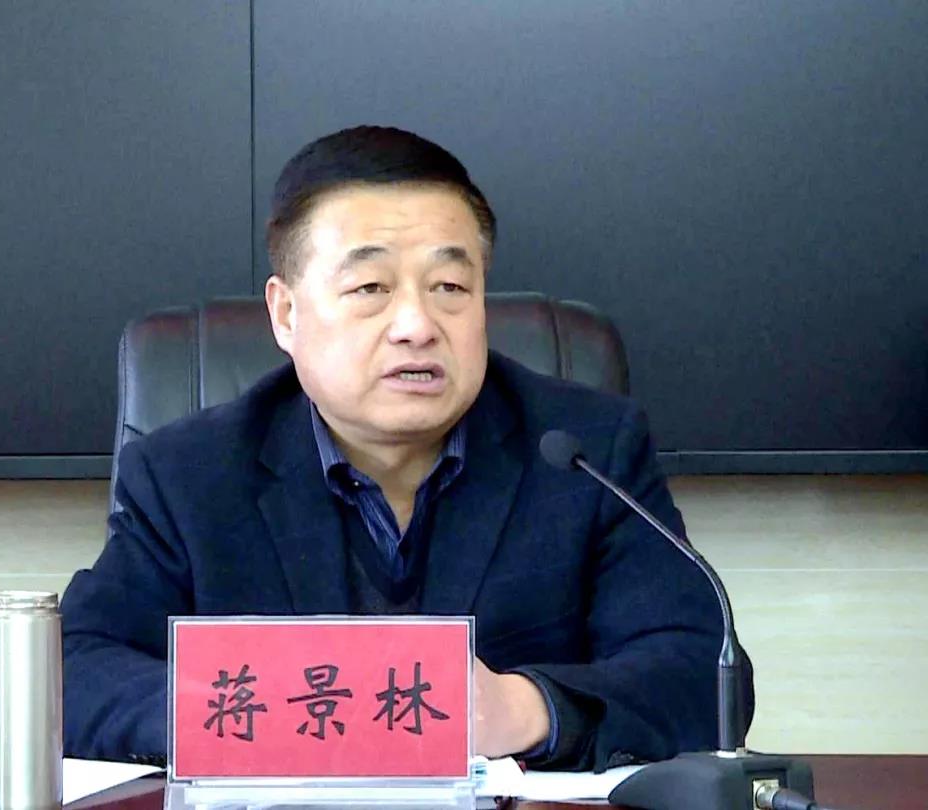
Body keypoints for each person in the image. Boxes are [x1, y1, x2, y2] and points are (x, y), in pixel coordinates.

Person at [61, 125, 752, 770]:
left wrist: (526, 709)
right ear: (286, 314)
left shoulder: (586, 453)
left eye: (450, 287)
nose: (417, 325)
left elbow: (702, 672)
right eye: (370, 288)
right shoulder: (187, 475)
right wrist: (266, 714)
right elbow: (73, 670)